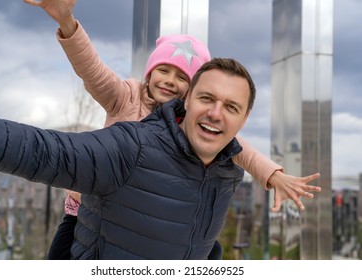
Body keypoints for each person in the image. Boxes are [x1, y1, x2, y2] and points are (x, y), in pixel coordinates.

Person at [23, 0, 321, 259]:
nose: (169, 80)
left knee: (204, 250)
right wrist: (67, 23)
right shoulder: (125, 96)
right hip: (93, 209)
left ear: (192, 92)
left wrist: (274, 176)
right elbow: (92, 69)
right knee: (61, 258)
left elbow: (242, 149)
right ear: (150, 73)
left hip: (157, 217)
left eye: (181, 76)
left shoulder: (190, 121)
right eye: (163, 70)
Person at [0, 58, 320, 259]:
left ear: (243, 121)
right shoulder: (131, 146)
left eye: (231, 107)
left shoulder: (227, 171)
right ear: (186, 103)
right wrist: (67, 25)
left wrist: (275, 175)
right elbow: (41, 150)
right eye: (207, 99)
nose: (216, 113)